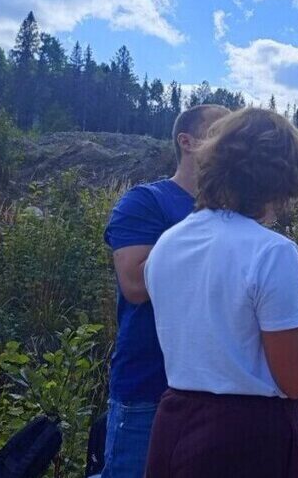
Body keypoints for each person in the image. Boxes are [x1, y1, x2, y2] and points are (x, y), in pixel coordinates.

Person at [143, 107, 298, 478]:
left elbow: (212, 320)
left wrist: (291, 312)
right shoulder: (272, 251)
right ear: (275, 183)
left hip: (175, 425)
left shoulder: (167, 244)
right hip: (248, 439)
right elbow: (295, 379)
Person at [101, 104, 230, 478]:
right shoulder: (146, 202)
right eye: (220, 131)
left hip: (213, 390)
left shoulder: (234, 215)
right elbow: (136, 285)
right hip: (148, 389)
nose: (232, 140)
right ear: (186, 142)